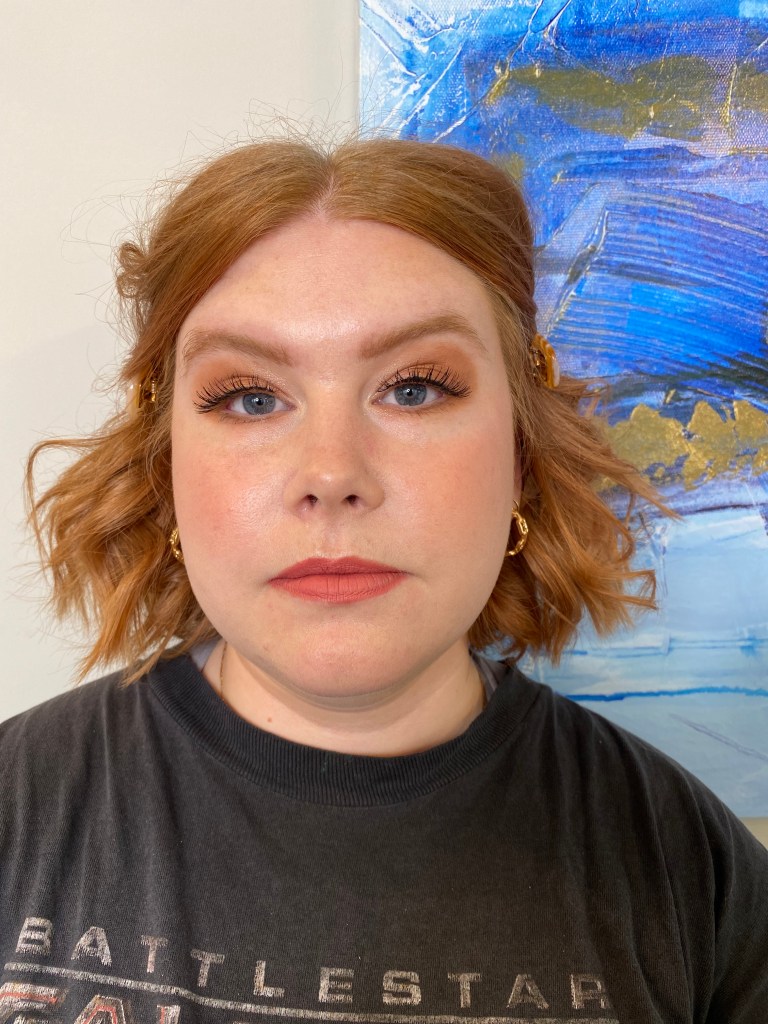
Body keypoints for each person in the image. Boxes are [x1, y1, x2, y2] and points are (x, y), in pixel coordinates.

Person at [2, 136, 766, 1024]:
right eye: (251, 397)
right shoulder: (18, 807)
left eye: (414, 389)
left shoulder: (688, 871)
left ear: (521, 455)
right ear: (164, 462)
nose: (332, 473)